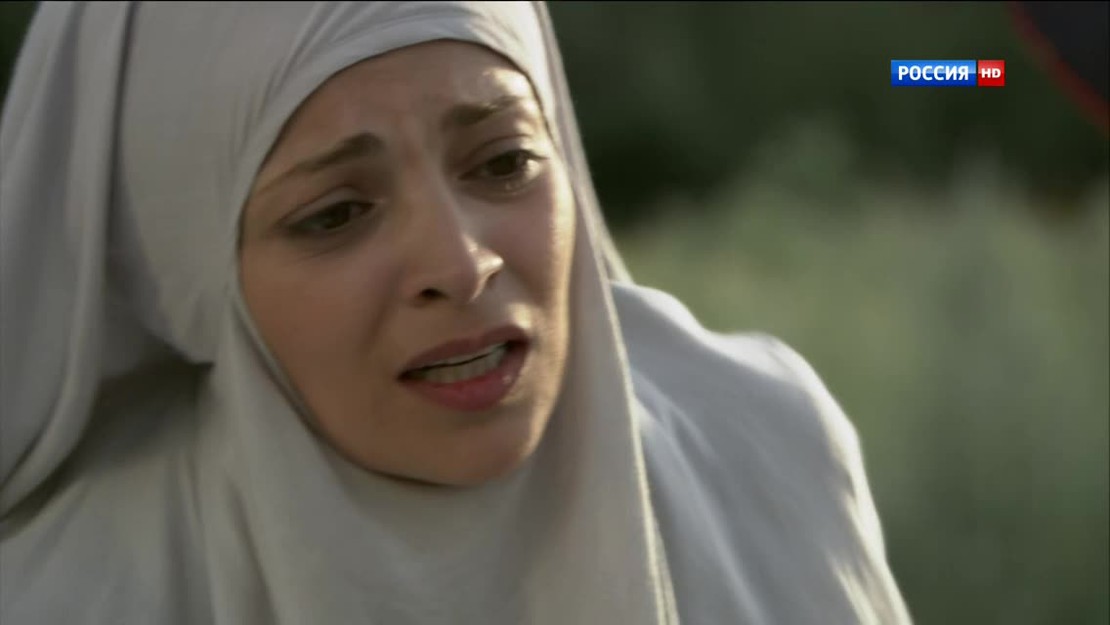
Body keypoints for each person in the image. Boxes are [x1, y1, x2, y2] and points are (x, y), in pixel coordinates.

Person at [0, 2, 913, 623]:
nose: (461, 264)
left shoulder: (764, 455)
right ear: (190, 278)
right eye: (335, 214)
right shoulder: (71, 595)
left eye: (505, 162)